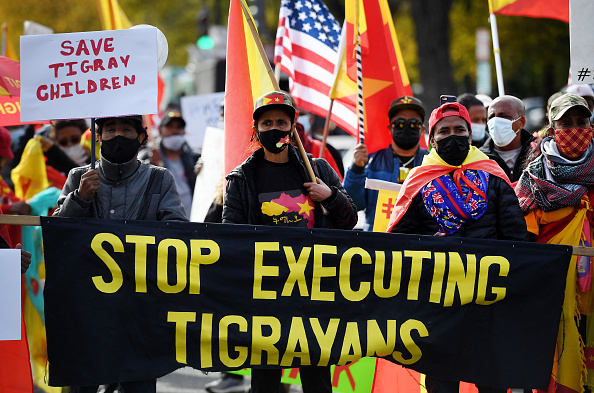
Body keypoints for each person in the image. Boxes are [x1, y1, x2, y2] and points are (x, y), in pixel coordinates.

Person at [387, 100, 527, 393]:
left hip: (487, 299)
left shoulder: (493, 175)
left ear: (470, 134)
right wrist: (428, 245)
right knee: (442, 384)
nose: (453, 136)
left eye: (460, 129)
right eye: (445, 131)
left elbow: (516, 238)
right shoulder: (417, 181)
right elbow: (399, 242)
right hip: (439, 301)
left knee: (492, 382)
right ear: (431, 139)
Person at [223, 90, 357, 393]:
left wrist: (331, 197)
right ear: (256, 130)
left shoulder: (318, 169)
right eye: (267, 123)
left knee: (316, 378)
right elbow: (230, 236)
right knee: (266, 380)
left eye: (281, 122)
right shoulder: (242, 178)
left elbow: (349, 222)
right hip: (266, 293)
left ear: (293, 128)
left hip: (313, 291)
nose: (274, 129)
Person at [53, 114, 187, 393]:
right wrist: (80, 198)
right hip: (87, 304)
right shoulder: (78, 176)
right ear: (98, 136)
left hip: (140, 304)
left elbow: (178, 233)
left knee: (137, 383)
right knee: (83, 382)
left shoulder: (159, 178)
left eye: (126, 129)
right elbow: (58, 232)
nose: (118, 136)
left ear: (141, 137)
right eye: (110, 129)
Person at [515, 93, 594, 393]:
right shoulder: (533, 180)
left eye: (581, 122)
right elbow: (521, 237)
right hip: (552, 293)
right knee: (554, 362)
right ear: (551, 128)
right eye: (566, 123)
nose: (574, 130)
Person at [343, 96, 429, 231]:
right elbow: (351, 205)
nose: (406, 126)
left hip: (420, 243)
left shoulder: (432, 164)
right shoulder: (369, 162)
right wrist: (356, 169)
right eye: (400, 123)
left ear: (422, 129)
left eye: (413, 123)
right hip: (378, 244)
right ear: (390, 128)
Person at [143, 110, 200, 216]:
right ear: (160, 131)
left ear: (184, 131)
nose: (174, 130)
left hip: (192, 216)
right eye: (169, 127)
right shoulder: (147, 156)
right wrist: (151, 165)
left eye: (179, 127)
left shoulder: (195, 158)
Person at [482, 95, 534, 183]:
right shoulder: (480, 159)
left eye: (504, 116)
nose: (495, 122)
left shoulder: (538, 154)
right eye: (491, 117)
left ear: (521, 122)